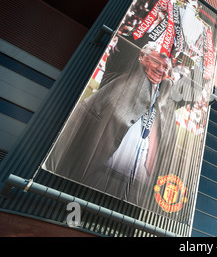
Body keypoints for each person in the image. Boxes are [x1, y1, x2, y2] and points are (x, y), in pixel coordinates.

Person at [43, 36, 177, 204]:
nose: (161, 69)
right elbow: (130, 41)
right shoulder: (124, 69)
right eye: (158, 62)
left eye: (165, 67)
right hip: (95, 172)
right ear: (141, 56)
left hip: (131, 187)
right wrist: (162, 22)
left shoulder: (164, 96)